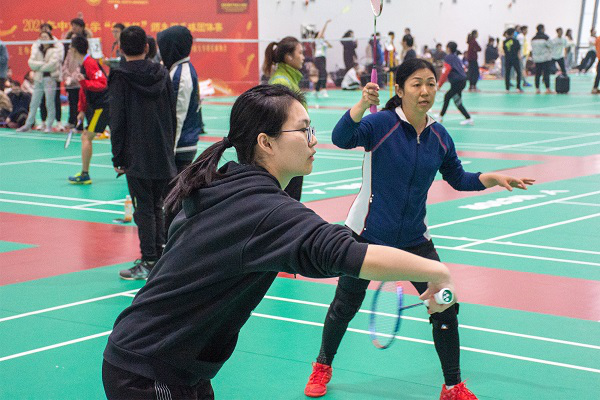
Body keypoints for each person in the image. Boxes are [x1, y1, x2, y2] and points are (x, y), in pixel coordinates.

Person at [102, 83, 459, 400]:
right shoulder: (264, 210)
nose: (313, 140)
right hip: (151, 369)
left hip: (167, 360)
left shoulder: (226, 181)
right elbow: (349, 253)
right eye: (303, 130)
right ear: (266, 142)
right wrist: (436, 271)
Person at [303, 58, 534, 400]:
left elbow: (459, 178)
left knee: (445, 303)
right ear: (399, 89)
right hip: (367, 235)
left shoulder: (439, 136)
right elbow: (341, 137)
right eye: (416, 83)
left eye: (430, 83)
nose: (425, 90)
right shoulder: (380, 124)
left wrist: (492, 178)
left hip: (415, 239)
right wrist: (362, 104)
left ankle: (452, 386)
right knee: (345, 305)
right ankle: (322, 365)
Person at [109, 26, 177, 280]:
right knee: (157, 205)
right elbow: (172, 114)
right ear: (147, 47)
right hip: (162, 150)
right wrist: (168, 147)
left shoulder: (120, 77)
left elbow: (117, 120)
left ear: (121, 49)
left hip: (136, 154)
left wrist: (118, 157)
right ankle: (159, 258)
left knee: (144, 209)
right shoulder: (162, 73)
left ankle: (149, 260)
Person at [157, 25, 202, 230]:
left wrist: (168, 152)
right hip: (178, 144)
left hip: (180, 146)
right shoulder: (176, 69)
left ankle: (171, 240)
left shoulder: (181, 75)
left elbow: (177, 116)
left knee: (173, 200)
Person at [262, 35, 307, 202]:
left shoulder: (289, 80)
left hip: (294, 151)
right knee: (288, 202)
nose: (303, 57)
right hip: (287, 154)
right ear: (288, 57)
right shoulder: (281, 83)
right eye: (300, 53)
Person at [67, 35, 110, 184]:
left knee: (86, 137)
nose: (69, 52)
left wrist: (84, 82)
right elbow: (84, 90)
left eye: (70, 49)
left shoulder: (90, 63)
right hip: (98, 106)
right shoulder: (85, 64)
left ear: (74, 50)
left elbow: (102, 84)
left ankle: (85, 174)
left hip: (102, 106)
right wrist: (81, 110)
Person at [16, 31, 61, 133]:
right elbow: (31, 63)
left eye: (46, 37)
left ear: (50, 39)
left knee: (49, 103)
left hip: (50, 79)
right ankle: (28, 125)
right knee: (34, 103)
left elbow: (53, 65)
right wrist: (43, 64)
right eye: (42, 37)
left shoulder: (54, 51)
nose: (44, 39)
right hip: (38, 79)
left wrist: (39, 67)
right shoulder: (37, 51)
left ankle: (49, 126)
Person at [435, 41, 474, 125]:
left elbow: (445, 71)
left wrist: (439, 85)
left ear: (448, 48)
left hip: (457, 82)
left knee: (448, 97)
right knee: (457, 101)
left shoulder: (448, 57)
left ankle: (441, 117)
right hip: (462, 81)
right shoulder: (456, 57)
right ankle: (468, 118)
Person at [531, 24, 553, 94]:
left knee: (537, 74)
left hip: (537, 59)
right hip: (545, 58)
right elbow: (551, 45)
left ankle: (537, 89)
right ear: (542, 29)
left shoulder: (533, 39)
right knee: (546, 74)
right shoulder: (546, 38)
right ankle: (547, 88)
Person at [314, 20, 332, 98]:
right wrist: (326, 23)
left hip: (323, 58)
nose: (322, 34)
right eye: (321, 34)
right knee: (324, 73)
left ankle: (316, 90)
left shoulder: (323, 42)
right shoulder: (317, 40)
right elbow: (322, 31)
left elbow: (331, 46)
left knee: (322, 74)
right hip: (318, 58)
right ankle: (323, 89)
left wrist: (326, 41)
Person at [503, 28, 523, 93]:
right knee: (518, 72)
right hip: (515, 58)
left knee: (507, 73)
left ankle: (507, 88)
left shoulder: (505, 42)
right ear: (513, 33)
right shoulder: (516, 41)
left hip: (507, 59)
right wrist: (520, 58)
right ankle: (518, 87)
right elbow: (518, 50)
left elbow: (504, 50)